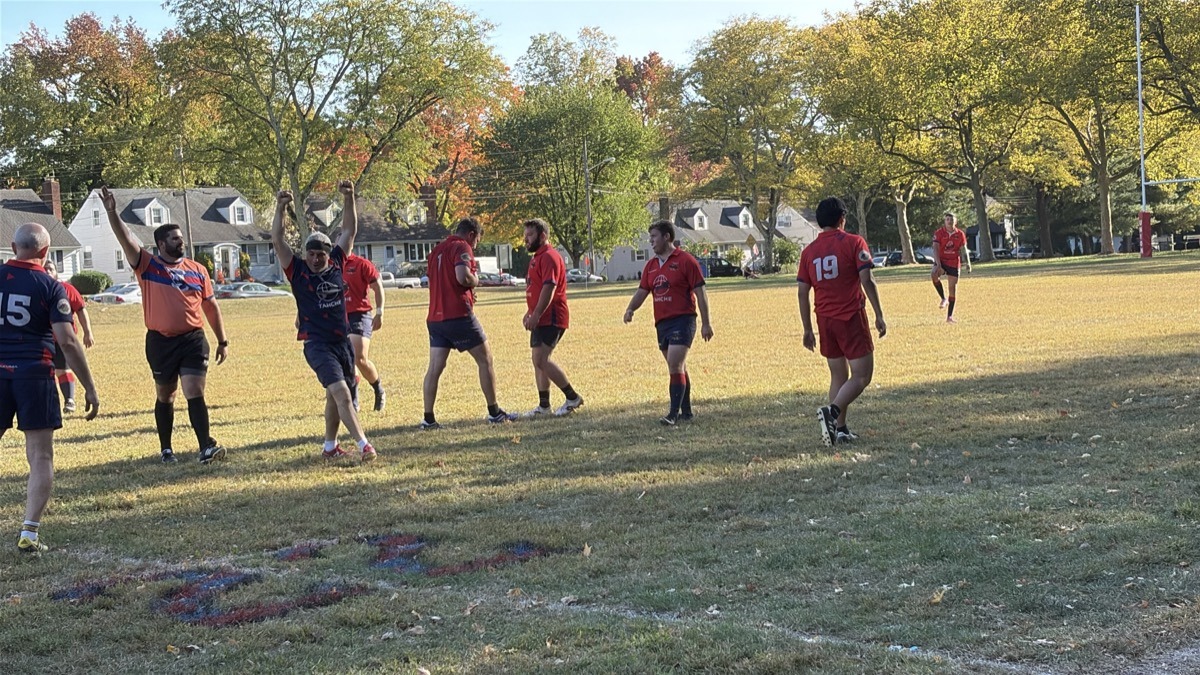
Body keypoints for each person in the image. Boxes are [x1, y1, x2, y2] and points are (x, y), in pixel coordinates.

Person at [101, 186, 229, 464]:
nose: (180, 242)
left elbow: (210, 306)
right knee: (166, 394)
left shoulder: (198, 270)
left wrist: (222, 340)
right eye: (174, 239)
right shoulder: (147, 265)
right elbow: (126, 238)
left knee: (194, 390)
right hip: (160, 341)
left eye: (181, 238)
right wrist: (112, 211)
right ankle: (166, 449)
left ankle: (205, 446)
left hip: (193, 339)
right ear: (161, 244)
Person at [1, 223, 99, 553]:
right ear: (45, 252)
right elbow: (68, 341)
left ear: (13, 247)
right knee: (40, 455)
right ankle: (29, 532)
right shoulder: (50, 286)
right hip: (35, 374)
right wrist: (89, 386)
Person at [272, 181, 376, 462]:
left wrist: (350, 198)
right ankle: (364, 445)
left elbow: (349, 230)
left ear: (329, 255)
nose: (316, 259)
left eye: (321, 254)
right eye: (311, 254)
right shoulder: (297, 271)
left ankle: (330, 446)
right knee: (341, 392)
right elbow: (278, 240)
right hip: (316, 344)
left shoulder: (339, 263)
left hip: (341, 342)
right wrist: (281, 207)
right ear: (305, 254)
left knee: (333, 396)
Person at [797, 197, 887, 447]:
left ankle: (840, 429)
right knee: (861, 376)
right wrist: (879, 313)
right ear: (842, 219)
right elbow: (867, 279)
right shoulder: (853, 242)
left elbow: (803, 292)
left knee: (838, 375)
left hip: (824, 319)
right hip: (850, 316)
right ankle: (833, 412)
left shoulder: (809, 252)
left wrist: (807, 328)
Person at [421, 216, 517, 429]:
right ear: (471, 234)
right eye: (477, 241)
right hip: (458, 315)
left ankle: (428, 418)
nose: (475, 245)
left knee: (435, 368)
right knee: (486, 359)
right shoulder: (462, 247)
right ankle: (494, 412)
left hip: (435, 317)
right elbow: (463, 277)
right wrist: (476, 280)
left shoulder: (436, 250)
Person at [623, 220, 714, 426]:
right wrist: (630, 309)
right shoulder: (652, 266)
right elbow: (642, 291)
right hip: (662, 323)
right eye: (650, 237)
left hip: (683, 319)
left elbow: (701, 292)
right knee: (678, 366)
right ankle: (687, 411)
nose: (651, 241)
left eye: (654, 237)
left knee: (675, 364)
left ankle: (673, 414)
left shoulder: (685, 261)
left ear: (667, 237)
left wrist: (706, 323)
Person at [519, 218, 583, 418]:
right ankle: (544, 406)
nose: (526, 240)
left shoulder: (549, 256)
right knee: (537, 361)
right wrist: (530, 312)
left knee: (542, 359)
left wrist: (536, 313)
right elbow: (536, 288)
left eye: (530, 235)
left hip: (552, 315)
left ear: (543, 236)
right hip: (540, 316)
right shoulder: (537, 257)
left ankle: (572, 397)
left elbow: (549, 287)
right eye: (525, 236)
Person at [42, 261, 94, 414]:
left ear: (56, 272)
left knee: (62, 370)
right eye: (44, 268)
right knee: (42, 373)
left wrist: (87, 332)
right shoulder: (36, 288)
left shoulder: (66, 289)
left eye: (50, 269)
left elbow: (80, 309)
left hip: (62, 339)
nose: (47, 271)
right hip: (41, 340)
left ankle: (69, 400)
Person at [342, 252, 386, 411]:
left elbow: (377, 286)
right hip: (339, 316)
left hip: (360, 315)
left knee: (358, 358)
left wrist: (380, 312)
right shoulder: (332, 264)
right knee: (346, 359)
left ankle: (378, 388)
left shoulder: (361, 264)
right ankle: (353, 401)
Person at [931, 212, 971, 323]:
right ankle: (943, 298)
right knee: (934, 274)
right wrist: (938, 264)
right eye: (947, 219)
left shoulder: (960, 234)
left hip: (954, 262)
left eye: (952, 219)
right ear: (945, 222)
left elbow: (964, 249)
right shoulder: (939, 233)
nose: (950, 221)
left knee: (952, 288)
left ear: (955, 221)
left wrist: (968, 263)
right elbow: (935, 248)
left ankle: (949, 317)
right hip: (942, 260)